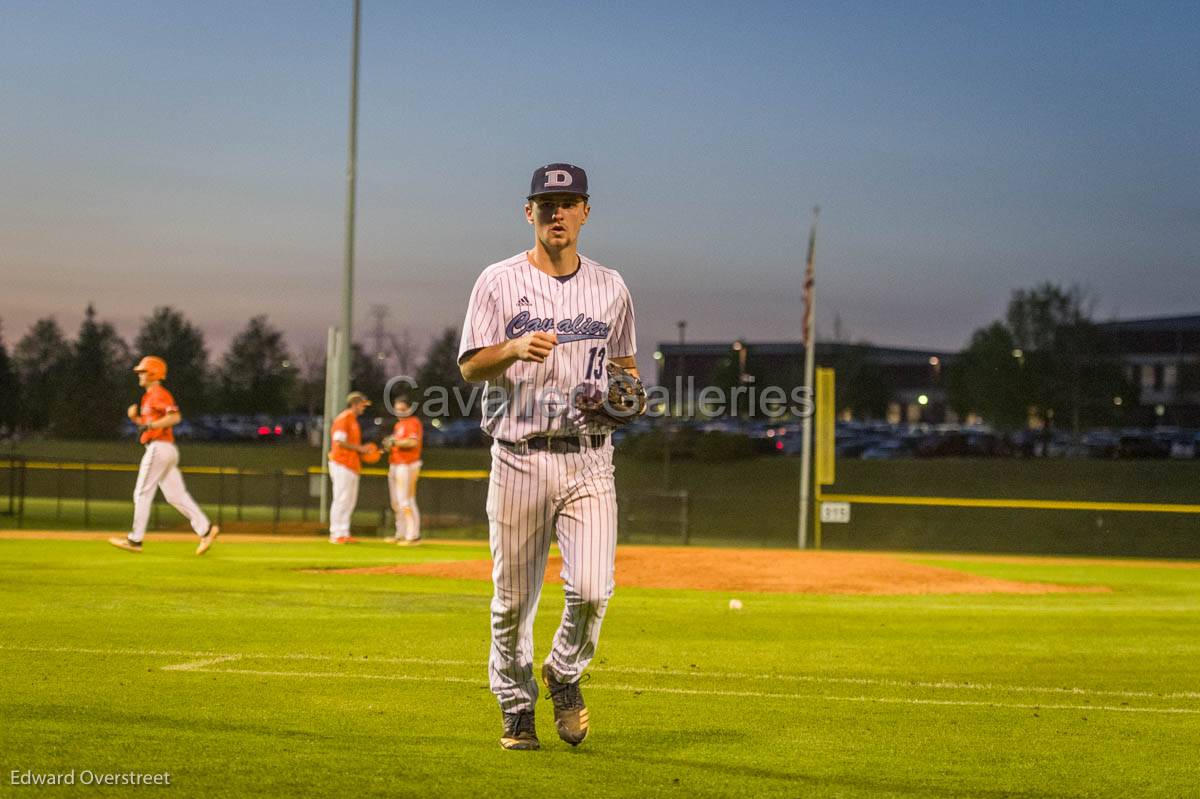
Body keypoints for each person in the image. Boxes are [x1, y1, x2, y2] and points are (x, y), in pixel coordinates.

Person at [457, 163, 639, 750]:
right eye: (546, 203)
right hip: (519, 456)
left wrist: (624, 400)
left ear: (586, 211)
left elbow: (626, 370)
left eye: (568, 202)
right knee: (512, 601)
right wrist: (509, 348)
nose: (556, 212)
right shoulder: (497, 281)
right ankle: (515, 704)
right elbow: (468, 366)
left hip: (590, 458)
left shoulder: (612, 287)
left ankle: (563, 671)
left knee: (593, 588)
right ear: (528, 211)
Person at [109, 356, 220, 555]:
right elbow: (149, 423)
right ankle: (206, 529)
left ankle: (135, 540)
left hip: (159, 448)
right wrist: (136, 419)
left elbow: (174, 417)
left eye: (142, 372)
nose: (139, 375)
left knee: (142, 493)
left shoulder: (158, 394)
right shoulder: (148, 397)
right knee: (175, 496)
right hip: (164, 449)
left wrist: (149, 424)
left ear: (152, 373)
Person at [328, 391, 374, 544]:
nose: (364, 408)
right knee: (341, 499)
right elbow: (339, 441)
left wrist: (362, 451)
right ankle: (336, 533)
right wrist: (360, 448)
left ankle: (344, 532)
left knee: (349, 501)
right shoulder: (344, 418)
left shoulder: (353, 420)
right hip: (341, 463)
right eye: (362, 404)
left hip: (351, 465)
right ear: (354, 404)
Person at [383, 395, 423, 545]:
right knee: (396, 502)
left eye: (403, 409)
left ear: (409, 409)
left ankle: (413, 535)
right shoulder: (398, 426)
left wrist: (395, 442)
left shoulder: (412, 422)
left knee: (406, 500)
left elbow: (412, 442)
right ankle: (401, 533)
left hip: (407, 465)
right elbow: (398, 442)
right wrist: (391, 443)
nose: (399, 412)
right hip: (396, 464)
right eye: (397, 409)